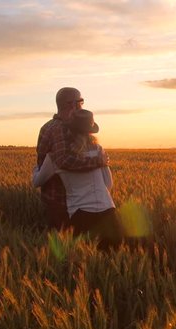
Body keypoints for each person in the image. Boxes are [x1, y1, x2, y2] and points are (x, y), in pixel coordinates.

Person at [33, 109, 125, 251]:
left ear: (68, 130)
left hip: (81, 215)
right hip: (109, 214)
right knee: (113, 258)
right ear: (90, 131)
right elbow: (108, 184)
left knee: (85, 264)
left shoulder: (56, 157)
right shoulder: (99, 151)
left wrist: (37, 167)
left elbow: (36, 182)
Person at [36, 87, 108, 229]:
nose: (81, 107)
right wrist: (98, 162)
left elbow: (42, 164)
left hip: (54, 198)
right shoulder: (61, 128)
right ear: (72, 105)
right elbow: (64, 160)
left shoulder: (47, 126)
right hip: (64, 201)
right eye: (80, 103)